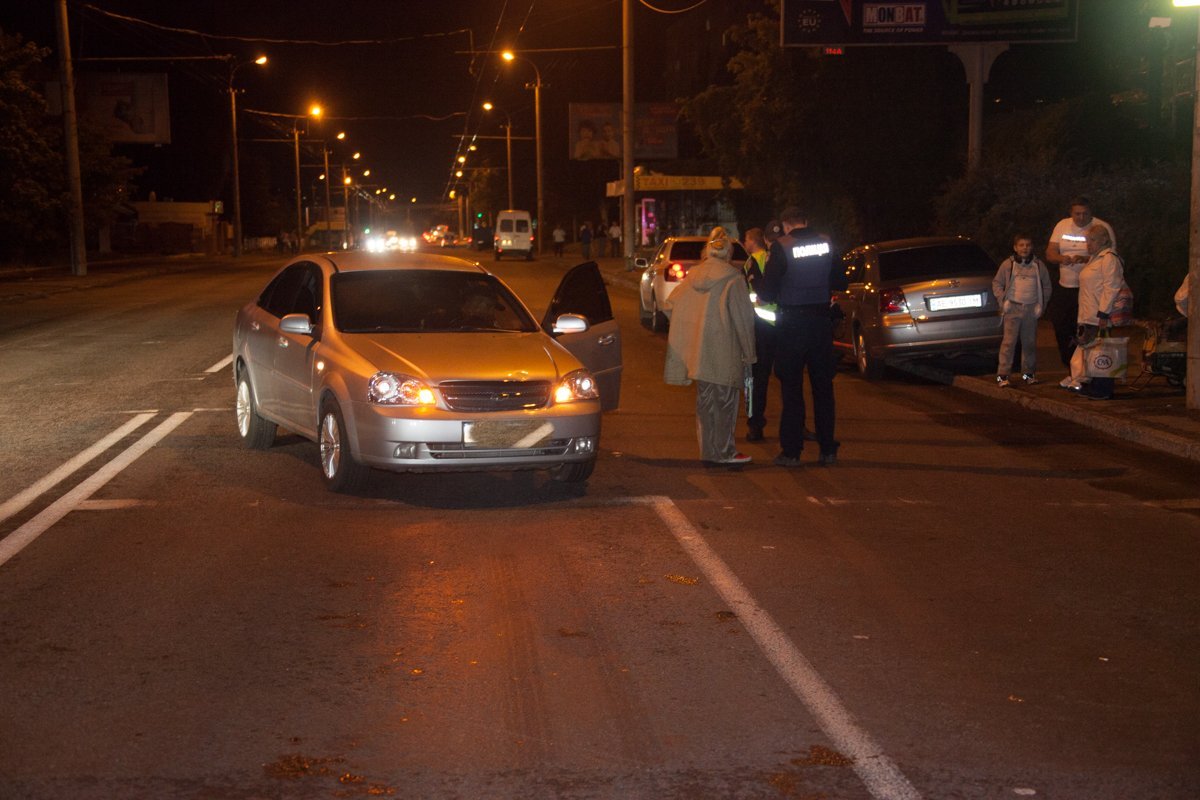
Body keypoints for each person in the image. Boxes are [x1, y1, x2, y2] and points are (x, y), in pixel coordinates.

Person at [758, 207, 847, 467]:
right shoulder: (827, 243)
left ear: (786, 226)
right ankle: (828, 449)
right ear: (807, 221)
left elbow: (768, 293)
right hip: (820, 324)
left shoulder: (781, 247)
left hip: (792, 325)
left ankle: (792, 451)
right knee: (823, 389)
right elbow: (840, 281)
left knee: (792, 390)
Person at [663, 226, 757, 467]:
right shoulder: (733, 278)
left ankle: (708, 451)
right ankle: (724, 452)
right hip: (725, 350)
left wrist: (691, 330)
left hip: (699, 352)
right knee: (725, 403)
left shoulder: (693, 276)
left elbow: (669, 305)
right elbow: (743, 320)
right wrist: (750, 353)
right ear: (727, 252)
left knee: (705, 402)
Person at [1045, 197, 1117, 368]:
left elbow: (1109, 256)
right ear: (1071, 213)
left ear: (1091, 212)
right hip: (1066, 286)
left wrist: (1085, 259)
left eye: (1085, 214)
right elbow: (1050, 252)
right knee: (1062, 325)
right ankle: (1071, 365)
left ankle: (1092, 368)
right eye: (1077, 214)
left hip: (1090, 289)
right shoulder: (1062, 225)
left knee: (1087, 329)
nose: (1081, 218)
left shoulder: (1102, 227)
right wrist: (1062, 258)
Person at [1064, 224, 1126, 399]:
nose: (1088, 244)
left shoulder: (1108, 258)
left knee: (1102, 351)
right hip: (1089, 313)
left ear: (1104, 240)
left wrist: (1104, 313)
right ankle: (1095, 385)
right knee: (1093, 350)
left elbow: (1111, 287)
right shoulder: (1095, 258)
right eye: (1087, 240)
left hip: (1098, 314)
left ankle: (1103, 389)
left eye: (1092, 240)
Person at [992, 233, 1052, 387]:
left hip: (1030, 308)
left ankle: (1028, 374)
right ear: (1015, 248)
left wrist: (1041, 306)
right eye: (1021, 245)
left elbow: (1047, 286)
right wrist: (1002, 301)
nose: (1024, 248)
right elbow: (997, 283)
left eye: (1027, 245)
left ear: (1032, 247)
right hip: (1013, 308)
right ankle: (1002, 376)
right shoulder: (1008, 265)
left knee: (1029, 343)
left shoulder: (1038, 265)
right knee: (1008, 343)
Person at [741, 227, 777, 440]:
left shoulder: (752, 262)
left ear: (753, 241)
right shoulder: (774, 257)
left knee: (758, 379)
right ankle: (796, 426)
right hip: (782, 324)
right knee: (789, 380)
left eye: (745, 238)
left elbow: (756, 292)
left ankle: (755, 426)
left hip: (761, 325)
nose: (744, 242)